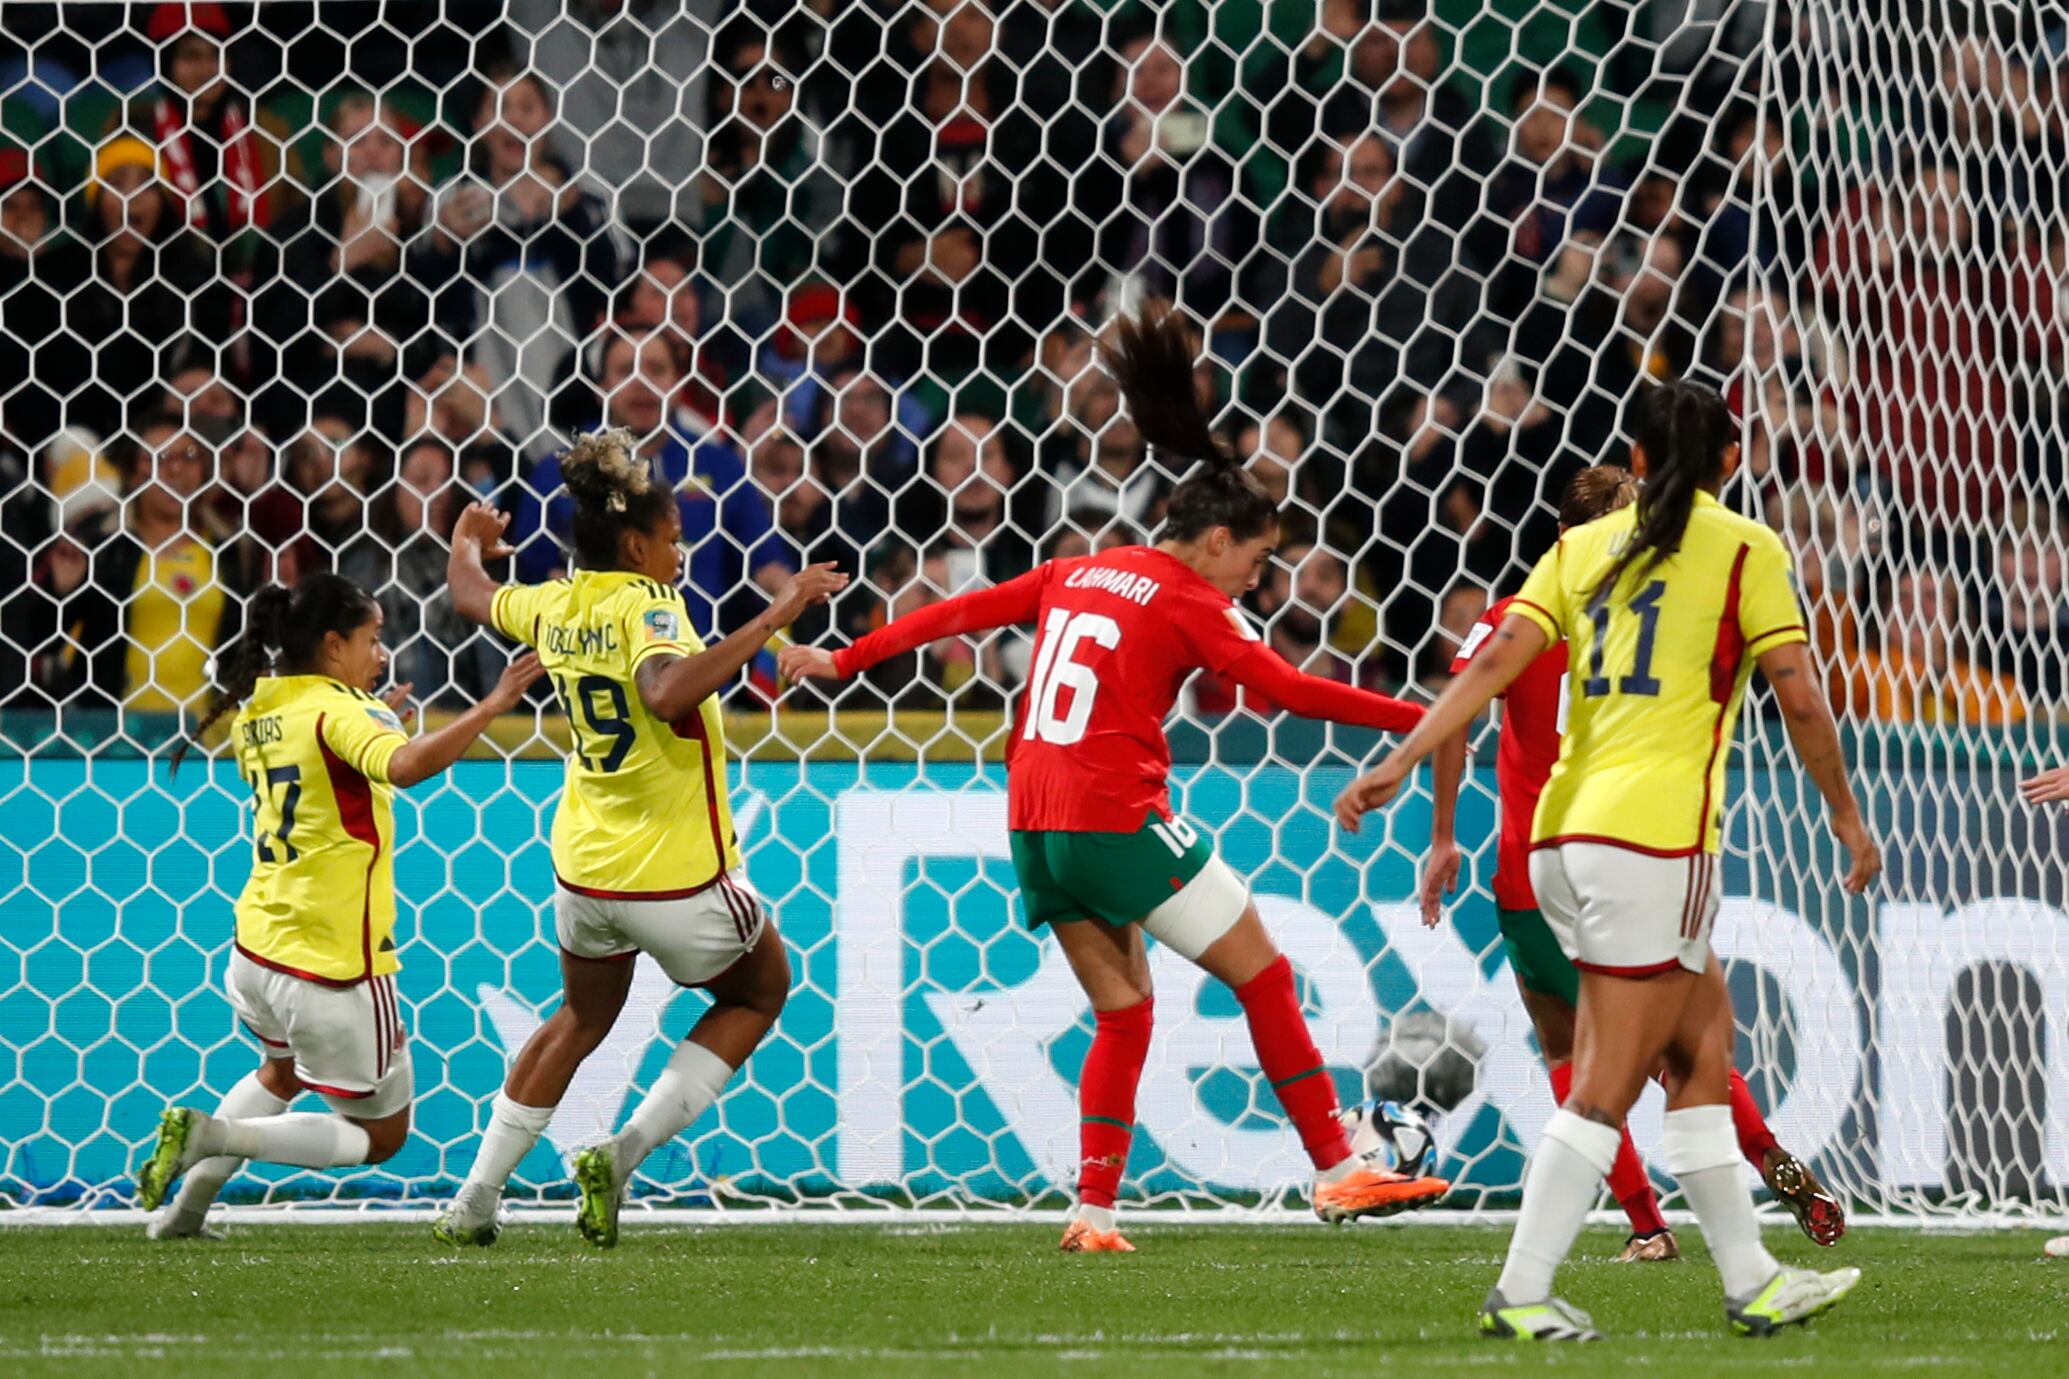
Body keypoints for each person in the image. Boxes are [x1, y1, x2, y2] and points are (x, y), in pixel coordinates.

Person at [781, 302, 1449, 1253]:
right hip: (1111, 815)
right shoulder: (1192, 604)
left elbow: (959, 612)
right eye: (1257, 561)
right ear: (1216, 540)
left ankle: (1093, 1212)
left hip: (1035, 824)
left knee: (1125, 1011)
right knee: (1264, 977)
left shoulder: (1076, 568)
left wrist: (843, 662)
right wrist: (1430, 717)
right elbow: (1293, 692)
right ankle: (1340, 1170)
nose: (1257, 583)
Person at [1335, 381, 1878, 1341]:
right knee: (1604, 1081)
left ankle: (1752, 1272)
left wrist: (1401, 761)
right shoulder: (1745, 547)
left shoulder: (1575, 548)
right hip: (1654, 842)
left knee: (1703, 1044)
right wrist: (1842, 814)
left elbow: (1491, 662)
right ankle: (1523, 1287)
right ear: (1728, 460)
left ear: (1634, 460)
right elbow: (1796, 695)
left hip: (1551, 841)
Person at [1418, 464, 1845, 1265]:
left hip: (1536, 865)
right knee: (1685, 1043)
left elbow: (1452, 718)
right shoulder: (1663, 620)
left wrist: (1443, 834)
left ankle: (1646, 1225)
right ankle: (1767, 1161)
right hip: (1644, 851)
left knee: (1570, 1052)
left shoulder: (1518, 615)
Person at [432, 429, 846, 1249]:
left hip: (585, 874)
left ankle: (475, 1198)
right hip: (678, 877)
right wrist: (776, 613)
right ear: (633, 543)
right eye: (672, 539)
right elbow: (662, 694)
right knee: (759, 992)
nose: (681, 552)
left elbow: (470, 594)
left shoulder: (554, 602)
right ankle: (619, 1158)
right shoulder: (647, 606)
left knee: (579, 1019)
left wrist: (464, 539)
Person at [136, 573, 543, 1235]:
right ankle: (212, 1136)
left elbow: (332, 771)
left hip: (257, 950)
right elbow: (404, 768)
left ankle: (182, 1215)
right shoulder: (343, 712)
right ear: (331, 645)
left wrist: (383, 722)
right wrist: (492, 702)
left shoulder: (260, 706)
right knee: (380, 1136)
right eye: (372, 638)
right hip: (332, 962)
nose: (381, 654)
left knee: (281, 1069)